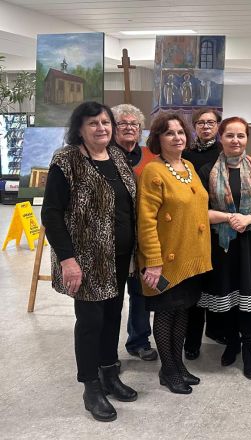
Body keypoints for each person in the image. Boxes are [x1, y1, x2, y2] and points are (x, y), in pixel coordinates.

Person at [42, 101, 138, 422]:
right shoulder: (67, 160)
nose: (101, 128)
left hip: (119, 255)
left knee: (112, 315)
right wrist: (68, 260)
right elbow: (51, 214)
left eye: (105, 122)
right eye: (93, 123)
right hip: (85, 259)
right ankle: (91, 387)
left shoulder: (118, 157)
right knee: (90, 322)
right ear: (79, 129)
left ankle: (109, 372)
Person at [137, 112, 212, 395]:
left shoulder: (189, 166)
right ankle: (168, 370)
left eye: (181, 132)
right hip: (165, 260)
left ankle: (178, 365)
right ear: (158, 138)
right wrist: (153, 262)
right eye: (169, 133)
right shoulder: (153, 171)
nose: (177, 137)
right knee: (166, 314)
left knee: (183, 312)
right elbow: (146, 221)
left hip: (189, 257)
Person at [197, 116, 251, 379]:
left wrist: (248, 219)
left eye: (240, 135)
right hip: (222, 245)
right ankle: (231, 342)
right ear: (220, 138)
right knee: (228, 295)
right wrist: (229, 217)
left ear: (247, 139)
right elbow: (199, 210)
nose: (235, 140)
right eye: (229, 135)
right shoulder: (207, 171)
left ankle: (248, 347)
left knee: (249, 298)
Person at [110, 103, 158, 362]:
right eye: (123, 123)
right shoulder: (103, 156)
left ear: (140, 129)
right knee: (112, 295)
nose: (129, 128)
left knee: (141, 292)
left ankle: (139, 341)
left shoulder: (151, 156)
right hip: (114, 238)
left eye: (134, 124)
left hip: (144, 237)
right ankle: (106, 352)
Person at [183, 108, 223, 360]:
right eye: (201, 123)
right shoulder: (186, 154)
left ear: (218, 126)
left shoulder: (224, 151)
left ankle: (216, 330)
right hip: (191, 225)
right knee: (195, 284)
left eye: (211, 122)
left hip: (219, 225)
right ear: (194, 126)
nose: (206, 126)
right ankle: (192, 340)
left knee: (216, 281)